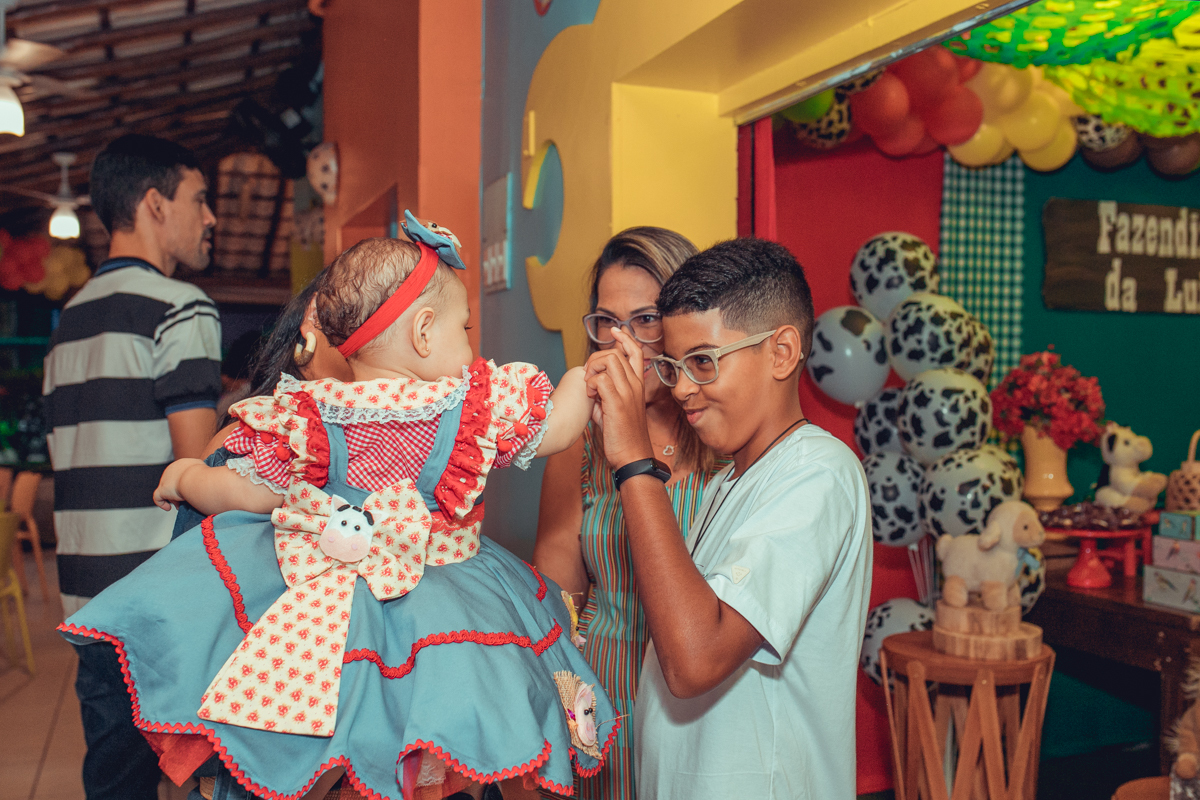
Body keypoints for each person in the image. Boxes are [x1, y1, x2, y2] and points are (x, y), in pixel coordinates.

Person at [60, 214, 620, 800]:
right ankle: (417, 773)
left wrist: (187, 475)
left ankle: (336, 769)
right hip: (450, 597)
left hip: (335, 599)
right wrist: (585, 378)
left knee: (335, 694)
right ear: (425, 332)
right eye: (465, 328)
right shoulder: (469, 404)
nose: (470, 345)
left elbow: (247, 492)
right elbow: (555, 429)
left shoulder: (313, 414)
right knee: (442, 707)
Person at [583, 238, 872, 799]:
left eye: (703, 362)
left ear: (782, 353)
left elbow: (694, 659)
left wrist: (634, 463)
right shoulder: (727, 482)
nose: (683, 388)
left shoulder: (820, 472)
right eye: (673, 365)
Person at [42, 134, 221, 800]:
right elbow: (195, 465)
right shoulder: (181, 306)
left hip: (87, 596)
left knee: (116, 775)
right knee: (207, 775)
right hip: (157, 598)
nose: (210, 218)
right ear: (154, 203)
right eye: (198, 200)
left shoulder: (69, 320)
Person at [534, 226, 721, 800]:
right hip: (603, 697)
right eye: (607, 322)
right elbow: (554, 602)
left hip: (703, 698)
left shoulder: (723, 436)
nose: (623, 344)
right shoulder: (579, 444)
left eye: (645, 320)